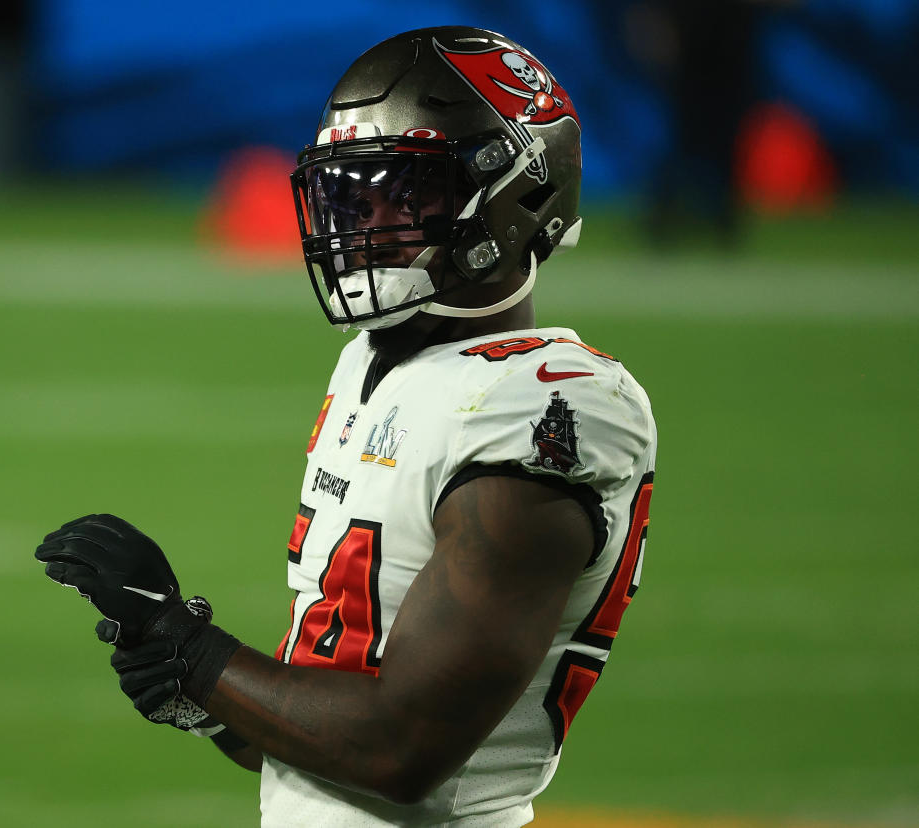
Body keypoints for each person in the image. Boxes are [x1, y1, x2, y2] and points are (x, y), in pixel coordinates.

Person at [36, 26, 657, 827]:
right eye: (350, 193)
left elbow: (405, 749)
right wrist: (204, 695)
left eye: (404, 193)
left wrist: (192, 650)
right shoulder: (376, 363)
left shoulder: (541, 402)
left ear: (514, 195)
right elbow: (322, 722)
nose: (359, 221)